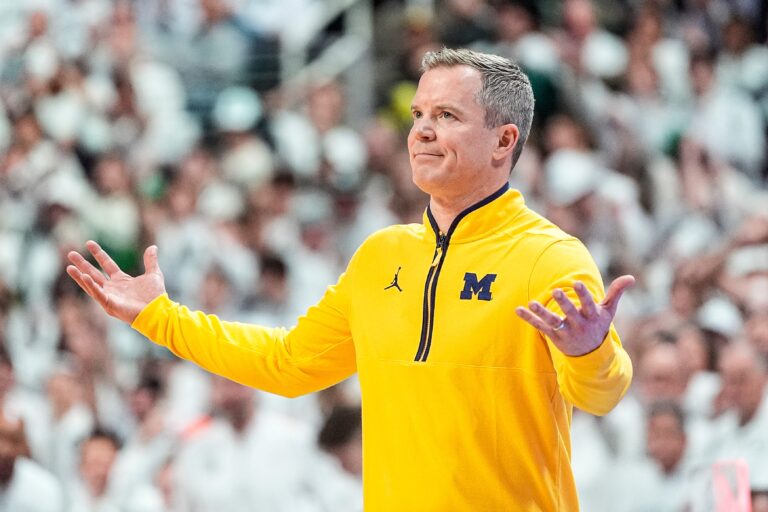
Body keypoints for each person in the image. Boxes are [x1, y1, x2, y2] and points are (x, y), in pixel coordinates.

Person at [66, 48, 634, 510]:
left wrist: (591, 352)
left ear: (504, 141)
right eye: (418, 115)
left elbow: (601, 394)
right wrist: (160, 318)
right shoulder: (380, 256)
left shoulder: (550, 258)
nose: (422, 131)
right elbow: (288, 365)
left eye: (446, 116)